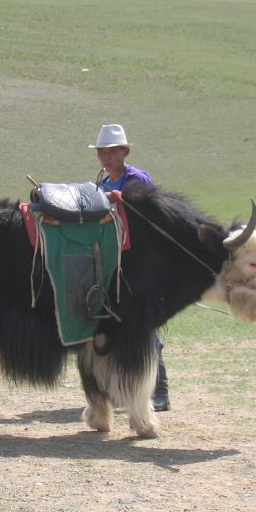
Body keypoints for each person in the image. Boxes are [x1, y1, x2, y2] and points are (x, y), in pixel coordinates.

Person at [88, 124, 170, 412]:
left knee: (142, 324)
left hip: (139, 261)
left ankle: (159, 392)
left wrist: (114, 200)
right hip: (112, 262)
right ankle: (119, 388)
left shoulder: (137, 179)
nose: (106, 157)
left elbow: (143, 214)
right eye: (102, 152)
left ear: (124, 152)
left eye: (112, 151)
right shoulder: (101, 183)